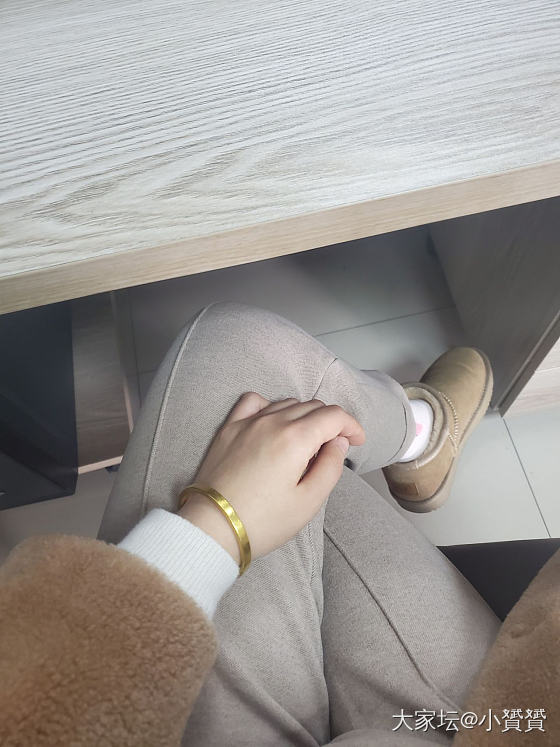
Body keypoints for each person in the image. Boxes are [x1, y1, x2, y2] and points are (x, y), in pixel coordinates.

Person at [0, 302, 557, 746]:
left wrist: (214, 527)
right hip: (502, 722)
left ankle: (417, 430)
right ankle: (420, 436)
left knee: (242, 355)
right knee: (291, 438)